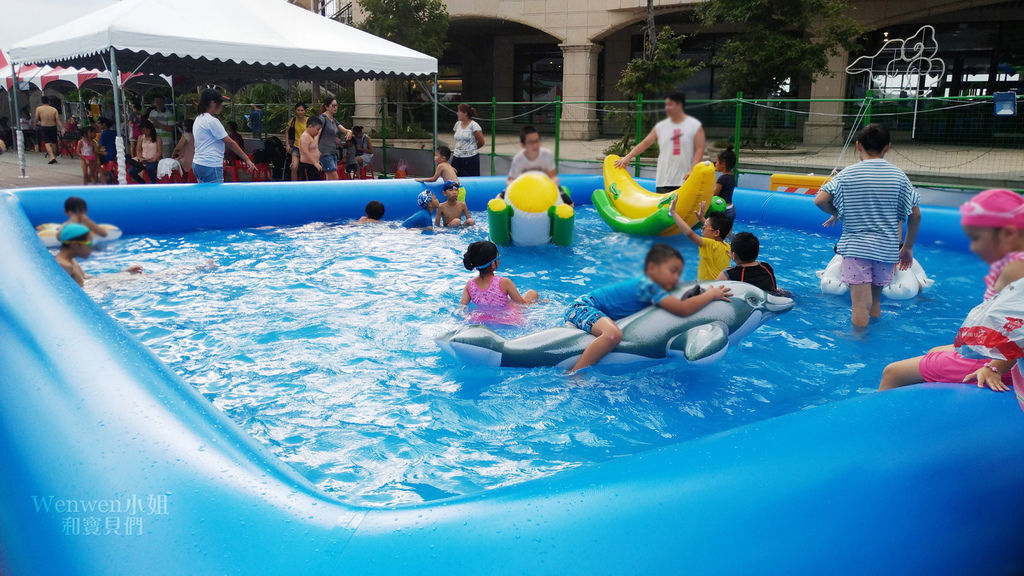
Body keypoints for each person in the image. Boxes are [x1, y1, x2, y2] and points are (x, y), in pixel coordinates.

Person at [879, 189, 1024, 392]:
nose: (974, 248)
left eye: (978, 238)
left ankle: (882, 422)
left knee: (893, 372)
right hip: (1001, 354)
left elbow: (1016, 336)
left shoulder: (1016, 271)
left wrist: (993, 368)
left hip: (1004, 362)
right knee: (934, 351)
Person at [814, 123, 921, 328]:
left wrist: (838, 212)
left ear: (858, 145)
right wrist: (907, 247)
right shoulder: (899, 177)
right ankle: (874, 346)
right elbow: (915, 215)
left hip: (856, 249)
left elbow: (820, 200)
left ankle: (858, 353)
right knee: (875, 304)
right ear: (888, 147)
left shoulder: (846, 174)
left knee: (859, 306)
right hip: (886, 250)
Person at [563, 243, 733, 372]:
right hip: (582, 307)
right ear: (652, 268)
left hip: (591, 310)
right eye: (671, 271)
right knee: (612, 335)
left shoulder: (656, 287)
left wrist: (704, 292)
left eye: (678, 273)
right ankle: (575, 374)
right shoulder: (649, 285)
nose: (675, 277)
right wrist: (711, 295)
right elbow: (682, 309)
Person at [614, 92, 705, 194]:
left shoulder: (694, 125)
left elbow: (700, 149)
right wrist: (628, 156)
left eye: (670, 104)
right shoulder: (661, 126)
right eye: (666, 105)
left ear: (680, 105)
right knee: (664, 210)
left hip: (685, 180)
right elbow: (645, 143)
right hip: (664, 181)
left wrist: (693, 170)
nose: (667, 108)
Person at [460, 240, 539, 324]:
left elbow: (461, 308)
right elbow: (522, 304)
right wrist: (536, 304)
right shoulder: (504, 282)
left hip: (482, 320)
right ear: (493, 264)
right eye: (497, 258)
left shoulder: (470, 284)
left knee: (509, 301)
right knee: (532, 293)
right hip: (507, 320)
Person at [191, 89, 255, 183]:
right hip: (211, 165)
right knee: (215, 196)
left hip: (198, 164)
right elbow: (231, 143)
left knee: (205, 196)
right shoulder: (212, 121)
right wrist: (247, 159)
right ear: (212, 103)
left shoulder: (199, 119)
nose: (222, 106)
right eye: (220, 103)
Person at [54, 223, 142, 287]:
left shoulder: (71, 260)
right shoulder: (64, 266)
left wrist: (122, 274)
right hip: (92, 295)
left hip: (93, 287)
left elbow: (87, 278)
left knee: (139, 278)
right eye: (89, 244)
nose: (91, 248)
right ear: (75, 244)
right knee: (141, 281)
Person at [669, 197, 733, 281]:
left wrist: (673, 213)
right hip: (721, 285)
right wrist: (702, 219)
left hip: (708, 287)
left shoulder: (709, 244)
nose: (702, 228)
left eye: (704, 227)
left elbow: (689, 233)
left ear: (716, 233)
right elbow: (714, 230)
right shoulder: (727, 246)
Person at [717, 232, 781, 294]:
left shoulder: (727, 274)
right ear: (757, 253)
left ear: (734, 255)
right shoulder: (767, 267)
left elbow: (714, 291)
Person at [318, 98, 353, 181]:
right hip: (324, 152)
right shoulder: (322, 119)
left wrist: (349, 132)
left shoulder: (333, 120)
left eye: (336, 105)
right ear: (326, 106)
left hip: (332, 152)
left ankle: (328, 193)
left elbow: (345, 130)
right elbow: (316, 135)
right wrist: (315, 149)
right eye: (333, 106)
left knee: (329, 177)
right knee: (334, 177)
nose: (335, 108)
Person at [451, 103, 484, 178]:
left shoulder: (474, 125)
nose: (457, 113)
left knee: (470, 179)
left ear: (465, 113)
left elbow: (481, 142)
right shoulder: (457, 124)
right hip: (457, 157)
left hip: (470, 158)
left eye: (459, 111)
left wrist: (471, 149)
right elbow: (458, 138)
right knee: (455, 178)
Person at [34, 95, 63, 164]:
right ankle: (54, 156)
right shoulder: (54, 109)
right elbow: (58, 120)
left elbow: (36, 118)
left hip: (44, 127)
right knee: (53, 142)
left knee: (47, 142)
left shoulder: (39, 109)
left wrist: (34, 125)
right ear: (49, 101)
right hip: (53, 127)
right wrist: (62, 128)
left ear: (42, 102)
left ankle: (52, 156)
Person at [285, 103, 309, 182]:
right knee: (294, 167)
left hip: (307, 148)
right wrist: (287, 144)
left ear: (305, 111)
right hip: (296, 147)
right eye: (298, 110)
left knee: (306, 168)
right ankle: (294, 185)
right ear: (295, 111)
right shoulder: (293, 120)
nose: (300, 112)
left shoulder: (309, 121)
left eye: (302, 110)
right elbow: (287, 131)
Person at [714, 145, 737, 220]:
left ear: (723, 163)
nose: (715, 164)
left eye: (717, 161)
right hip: (731, 208)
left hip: (723, 210)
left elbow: (714, 195)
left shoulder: (722, 179)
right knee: (728, 231)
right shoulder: (732, 177)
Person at [297, 116, 323, 181]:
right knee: (308, 187)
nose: (318, 131)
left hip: (313, 166)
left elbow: (315, 145)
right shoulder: (305, 136)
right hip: (307, 166)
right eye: (317, 129)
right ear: (310, 127)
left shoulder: (312, 136)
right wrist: (315, 163)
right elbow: (305, 151)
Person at [97, 117, 117, 184]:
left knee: (95, 157)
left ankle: (101, 175)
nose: (98, 125)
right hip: (116, 153)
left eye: (99, 123)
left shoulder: (104, 134)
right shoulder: (114, 132)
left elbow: (99, 147)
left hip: (109, 155)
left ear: (104, 124)